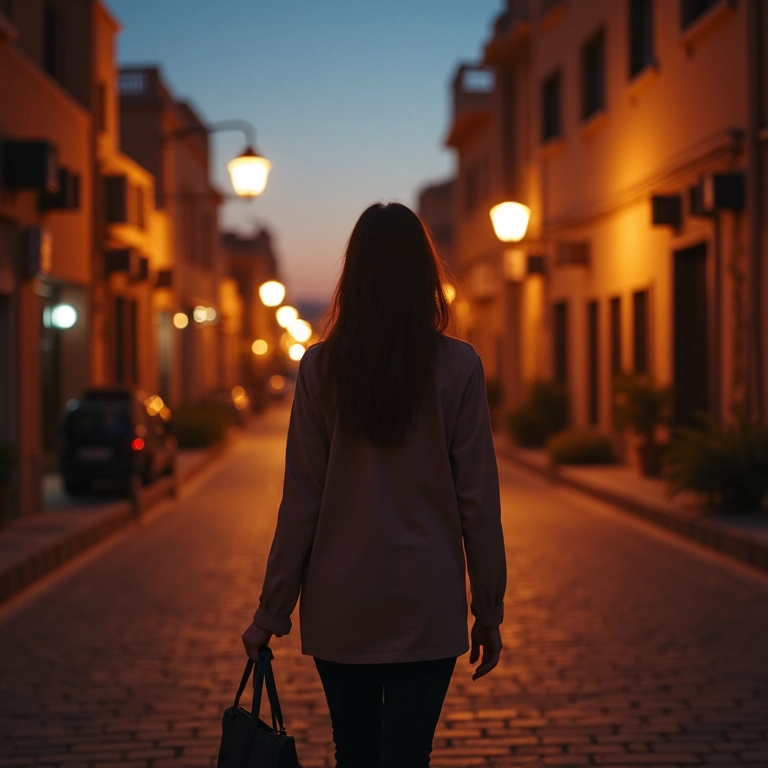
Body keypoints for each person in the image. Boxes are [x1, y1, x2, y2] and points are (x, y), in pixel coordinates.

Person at [242, 201, 507, 768]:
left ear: (353, 275)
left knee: (355, 752)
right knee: (409, 755)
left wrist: (271, 613)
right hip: (426, 604)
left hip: (342, 607)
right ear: (425, 277)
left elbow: (302, 504)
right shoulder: (459, 367)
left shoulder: (320, 369)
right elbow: (479, 504)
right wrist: (487, 609)